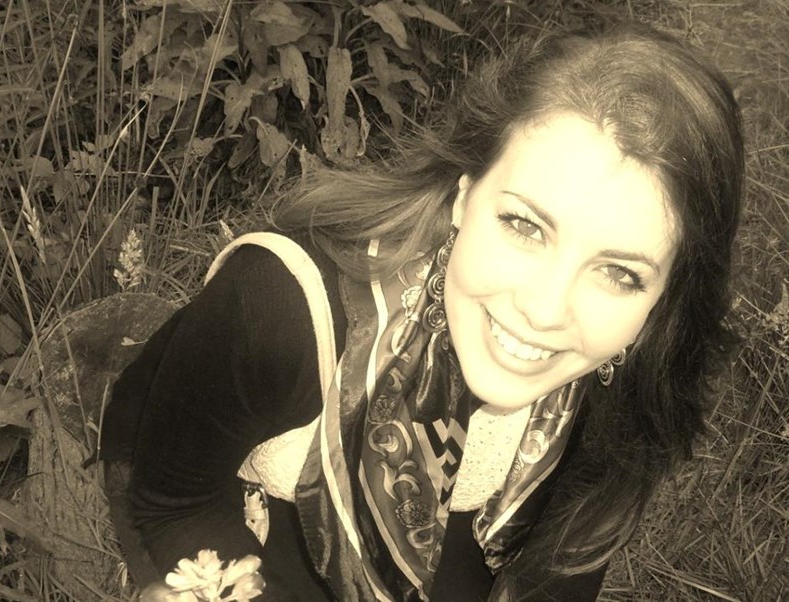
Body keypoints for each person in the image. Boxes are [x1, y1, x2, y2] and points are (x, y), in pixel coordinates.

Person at [100, 20, 744, 602]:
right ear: (464, 196)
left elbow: (563, 569)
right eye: (524, 225)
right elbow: (172, 497)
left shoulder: (629, 364)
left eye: (619, 273)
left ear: (667, 297)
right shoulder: (277, 307)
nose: (545, 311)